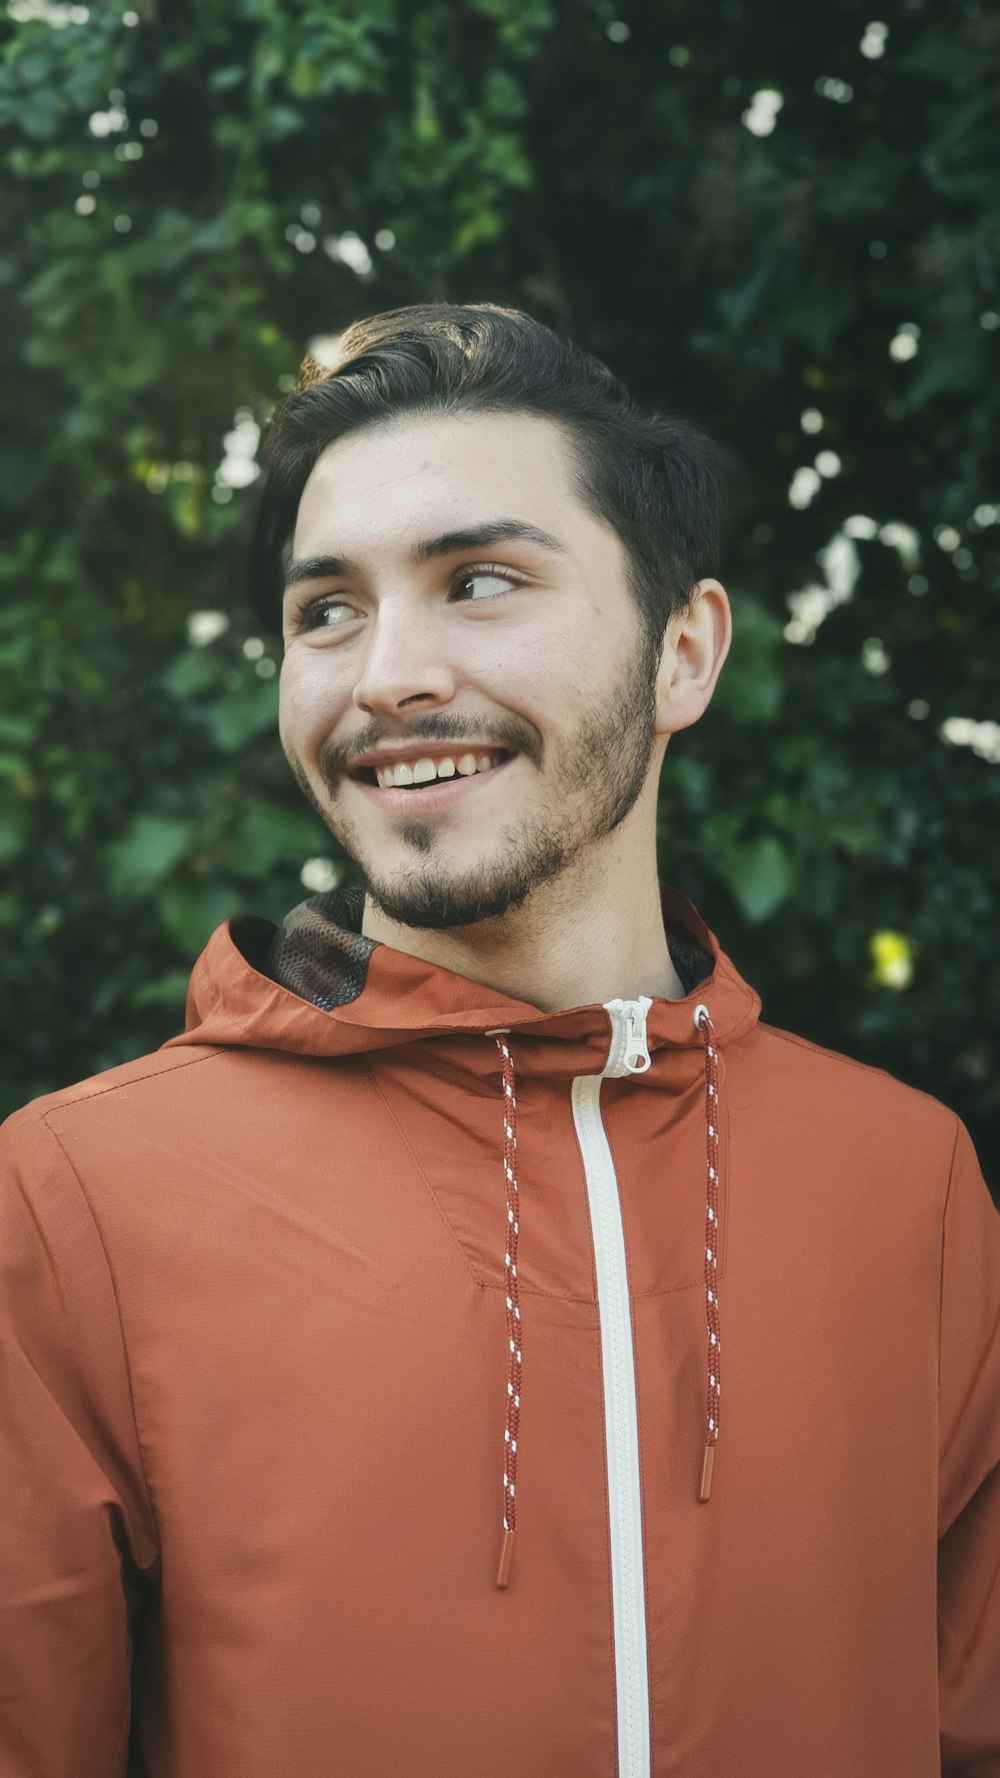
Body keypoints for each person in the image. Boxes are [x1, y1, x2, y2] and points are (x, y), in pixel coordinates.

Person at [1, 304, 997, 1778]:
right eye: (325, 608)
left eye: (478, 581)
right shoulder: (77, 1196)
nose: (387, 673)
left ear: (684, 652)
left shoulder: (907, 1184)